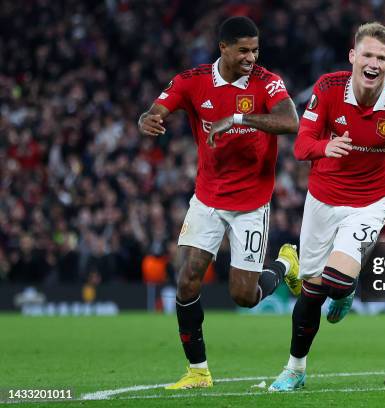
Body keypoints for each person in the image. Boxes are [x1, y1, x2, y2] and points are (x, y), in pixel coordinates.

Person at [269, 22, 385, 391]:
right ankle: (295, 369)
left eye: (381, 58)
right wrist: (325, 147)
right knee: (311, 295)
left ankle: (345, 286)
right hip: (321, 200)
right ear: (353, 56)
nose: (374, 62)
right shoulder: (327, 88)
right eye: (367, 54)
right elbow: (301, 146)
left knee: (334, 282)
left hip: (370, 202)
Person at [138, 16, 302, 390]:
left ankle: (285, 262)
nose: (251, 57)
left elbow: (291, 121)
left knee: (244, 297)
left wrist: (239, 117)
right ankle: (198, 372)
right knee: (186, 282)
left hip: (251, 202)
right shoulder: (192, 80)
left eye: (255, 50)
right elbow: (156, 110)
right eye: (243, 50)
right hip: (208, 198)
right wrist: (146, 120)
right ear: (223, 48)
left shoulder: (266, 81)